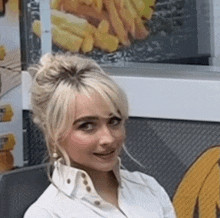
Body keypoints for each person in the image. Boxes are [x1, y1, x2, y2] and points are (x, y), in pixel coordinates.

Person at [24, 53, 176, 218]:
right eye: (87, 126)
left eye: (114, 121)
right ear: (54, 134)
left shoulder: (147, 187)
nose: (108, 139)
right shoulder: (48, 213)